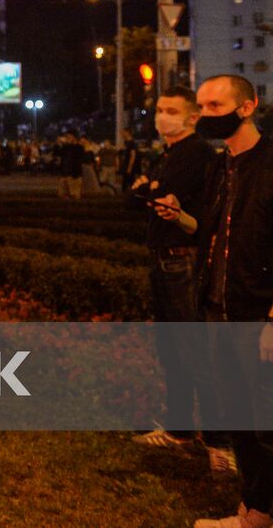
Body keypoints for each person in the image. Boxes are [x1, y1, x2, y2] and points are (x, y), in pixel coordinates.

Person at [162, 75, 273, 528]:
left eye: (215, 106)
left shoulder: (267, 165)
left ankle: (260, 513)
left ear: (247, 107)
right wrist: (181, 217)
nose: (204, 115)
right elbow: (212, 234)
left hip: (256, 315)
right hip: (217, 310)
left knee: (263, 422)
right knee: (239, 415)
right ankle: (252, 509)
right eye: (202, 106)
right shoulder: (221, 166)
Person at [126, 86, 231, 470]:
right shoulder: (168, 155)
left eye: (171, 110)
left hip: (183, 262)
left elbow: (188, 209)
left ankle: (220, 442)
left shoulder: (198, 155)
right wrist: (149, 190)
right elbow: (135, 197)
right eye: (159, 109)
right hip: (164, 259)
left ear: (192, 117)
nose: (162, 117)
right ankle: (180, 429)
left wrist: (153, 192)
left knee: (196, 351)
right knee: (172, 351)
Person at [57, 133, 86, 201]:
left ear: (74, 138)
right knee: (62, 194)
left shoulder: (79, 147)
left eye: (69, 137)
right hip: (65, 173)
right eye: (67, 137)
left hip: (74, 174)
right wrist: (59, 144)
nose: (67, 139)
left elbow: (77, 153)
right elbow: (58, 153)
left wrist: (69, 144)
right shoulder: (66, 147)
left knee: (74, 195)